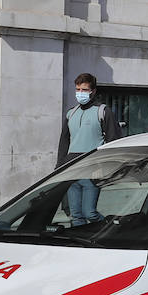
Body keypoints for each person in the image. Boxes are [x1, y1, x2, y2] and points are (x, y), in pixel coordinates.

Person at [57, 73, 121, 225]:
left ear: (93, 91)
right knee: (76, 215)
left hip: (92, 170)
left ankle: (110, 228)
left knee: (89, 213)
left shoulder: (103, 111)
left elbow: (113, 141)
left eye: (84, 90)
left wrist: (105, 167)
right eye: (78, 89)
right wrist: (59, 167)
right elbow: (64, 141)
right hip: (72, 170)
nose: (80, 93)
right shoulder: (70, 113)